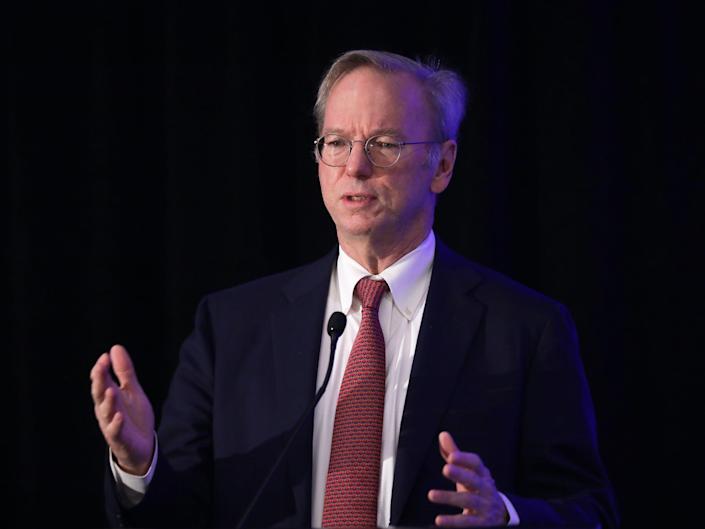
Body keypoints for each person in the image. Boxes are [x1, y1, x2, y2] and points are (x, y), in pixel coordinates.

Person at [90, 49, 618, 528]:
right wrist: (140, 466)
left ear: (444, 163)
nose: (356, 167)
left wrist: (503, 515)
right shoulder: (231, 328)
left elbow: (590, 512)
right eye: (338, 143)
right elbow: (179, 516)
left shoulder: (525, 329)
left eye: (384, 145)